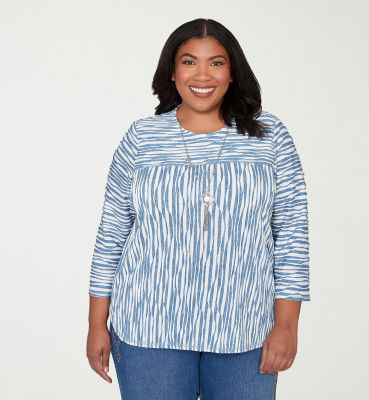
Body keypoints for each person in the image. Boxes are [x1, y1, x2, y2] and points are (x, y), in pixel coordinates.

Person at [86, 17, 310, 400]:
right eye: (189, 62)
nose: (202, 74)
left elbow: (292, 235)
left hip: (245, 330)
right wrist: (96, 324)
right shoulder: (142, 138)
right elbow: (112, 234)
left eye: (216, 62)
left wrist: (287, 326)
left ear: (232, 73)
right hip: (148, 330)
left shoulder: (269, 137)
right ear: (172, 73)